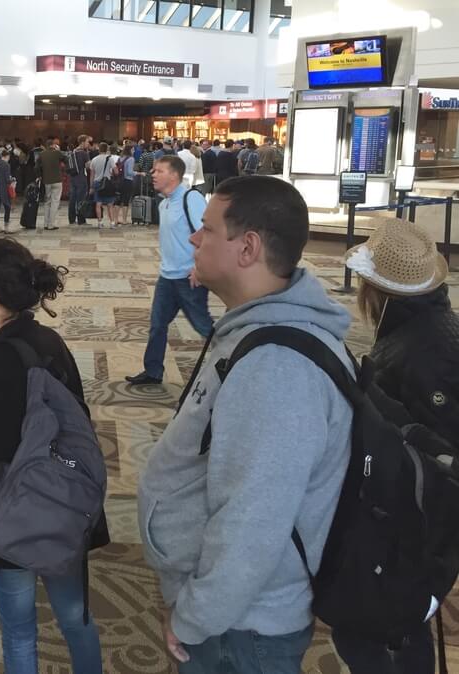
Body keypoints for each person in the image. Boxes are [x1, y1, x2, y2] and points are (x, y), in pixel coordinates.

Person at [138, 175, 353, 674]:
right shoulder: (256, 332)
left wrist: (193, 618)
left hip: (242, 628)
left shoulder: (276, 366)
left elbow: (253, 520)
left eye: (208, 230)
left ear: (248, 247)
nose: (194, 237)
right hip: (235, 616)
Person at [0, 237, 108, 673]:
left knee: (18, 630)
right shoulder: (50, 341)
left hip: (12, 509)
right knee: (75, 616)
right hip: (63, 503)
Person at [332, 217, 457, 674]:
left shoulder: (423, 350)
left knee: (382, 635)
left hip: (410, 528)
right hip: (410, 525)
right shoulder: (423, 327)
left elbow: (433, 456)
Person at [126, 157, 212, 386]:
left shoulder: (190, 199)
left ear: (174, 175)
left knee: (203, 326)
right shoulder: (164, 203)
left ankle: (234, 362)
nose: (153, 174)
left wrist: (199, 268)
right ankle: (153, 371)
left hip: (188, 278)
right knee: (157, 325)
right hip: (167, 277)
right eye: (153, 170)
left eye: (159, 171)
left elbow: (207, 234)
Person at [88, 142, 119, 229]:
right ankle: (112, 223)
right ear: (107, 149)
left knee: (98, 203)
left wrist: (91, 186)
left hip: (97, 183)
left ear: (99, 149)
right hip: (107, 183)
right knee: (110, 204)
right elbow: (116, 171)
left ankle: (99, 222)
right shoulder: (110, 159)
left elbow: (92, 175)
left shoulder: (94, 160)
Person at [38, 138, 63, 231]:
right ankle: (51, 224)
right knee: (55, 202)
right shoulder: (57, 153)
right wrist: (58, 150)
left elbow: (36, 166)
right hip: (57, 180)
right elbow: (66, 159)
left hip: (46, 181)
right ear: (53, 145)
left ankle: (45, 223)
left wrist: (39, 176)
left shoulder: (42, 154)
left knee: (47, 202)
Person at [68, 135, 92, 227]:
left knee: (72, 199)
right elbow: (88, 166)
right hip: (81, 178)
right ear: (82, 142)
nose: (88, 144)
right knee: (81, 200)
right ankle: (81, 220)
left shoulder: (73, 151)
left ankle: (71, 219)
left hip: (73, 177)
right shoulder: (84, 153)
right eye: (87, 142)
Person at [0, 149, 15, 233]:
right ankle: (6, 227)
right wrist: (12, 180)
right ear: (7, 156)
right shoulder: (6, 165)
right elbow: (7, 179)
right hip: (3, 189)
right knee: (7, 207)